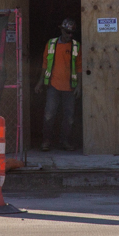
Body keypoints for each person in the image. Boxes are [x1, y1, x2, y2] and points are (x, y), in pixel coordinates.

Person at [41, 18, 81, 151]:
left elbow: (80, 67)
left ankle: (64, 141)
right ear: (61, 30)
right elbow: (45, 64)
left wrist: (79, 86)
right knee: (49, 114)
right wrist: (40, 82)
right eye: (67, 32)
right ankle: (46, 141)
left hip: (70, 88)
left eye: (72, 33)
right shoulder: (51, 44)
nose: (69, 35)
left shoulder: (76, 46)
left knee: (69, 118)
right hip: (53, 86)